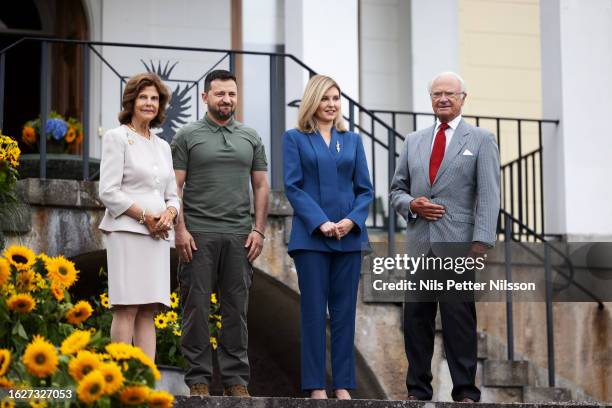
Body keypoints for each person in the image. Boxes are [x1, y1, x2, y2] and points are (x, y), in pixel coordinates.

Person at [390, 71, 500, 402]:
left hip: (459, 244)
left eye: (450, 94)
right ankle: (418, 390)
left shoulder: (481, 139)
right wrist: (412, 204)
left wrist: (481, 241)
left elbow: (490, 194)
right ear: (431, 99)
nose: (443, 99)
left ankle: (465, 391)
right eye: (437, 94)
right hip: (421, 243)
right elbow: (397, 190)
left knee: (458, 320)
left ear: (463, 98)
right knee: (415, 321)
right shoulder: (413, 141)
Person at [171, 69, 269, 398]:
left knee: (236, 311)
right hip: (197, 234)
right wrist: (180, 229)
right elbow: (175, 187)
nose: (226, 99)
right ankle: (198, 380)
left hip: (241, 236)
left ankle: (236, 382)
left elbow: (261, 185)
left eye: (231, 94)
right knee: (195, 307)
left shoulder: (251, 137)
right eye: (219, 94)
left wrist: (259, 230)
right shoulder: (187, 135)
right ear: (205, 97)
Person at [283, 75, 373, 400]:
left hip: (348, 239)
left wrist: (351, 221)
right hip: (311, 240)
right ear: (313, 102)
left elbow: (365, 189)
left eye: (336, 98)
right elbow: (292, 186)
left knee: (344, 313)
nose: (332, 104)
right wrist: (320, 222)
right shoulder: (294, 138)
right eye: (325, 98)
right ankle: (316, 386)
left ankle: (344, 385)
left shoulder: (352, 141)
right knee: (312, 312)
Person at [99, 72, 180, 360]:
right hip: (127, 232)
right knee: (127, 307)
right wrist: (145, 216)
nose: (149, 103)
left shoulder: (163, 146)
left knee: (148, 308)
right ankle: (118, 381)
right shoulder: (116, 137)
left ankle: (146, 385)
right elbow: (108, 191)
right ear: (132, 102)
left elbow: (172, 194)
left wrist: (169, 214)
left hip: (158, 235)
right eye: (143, 97)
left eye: (154, 98)